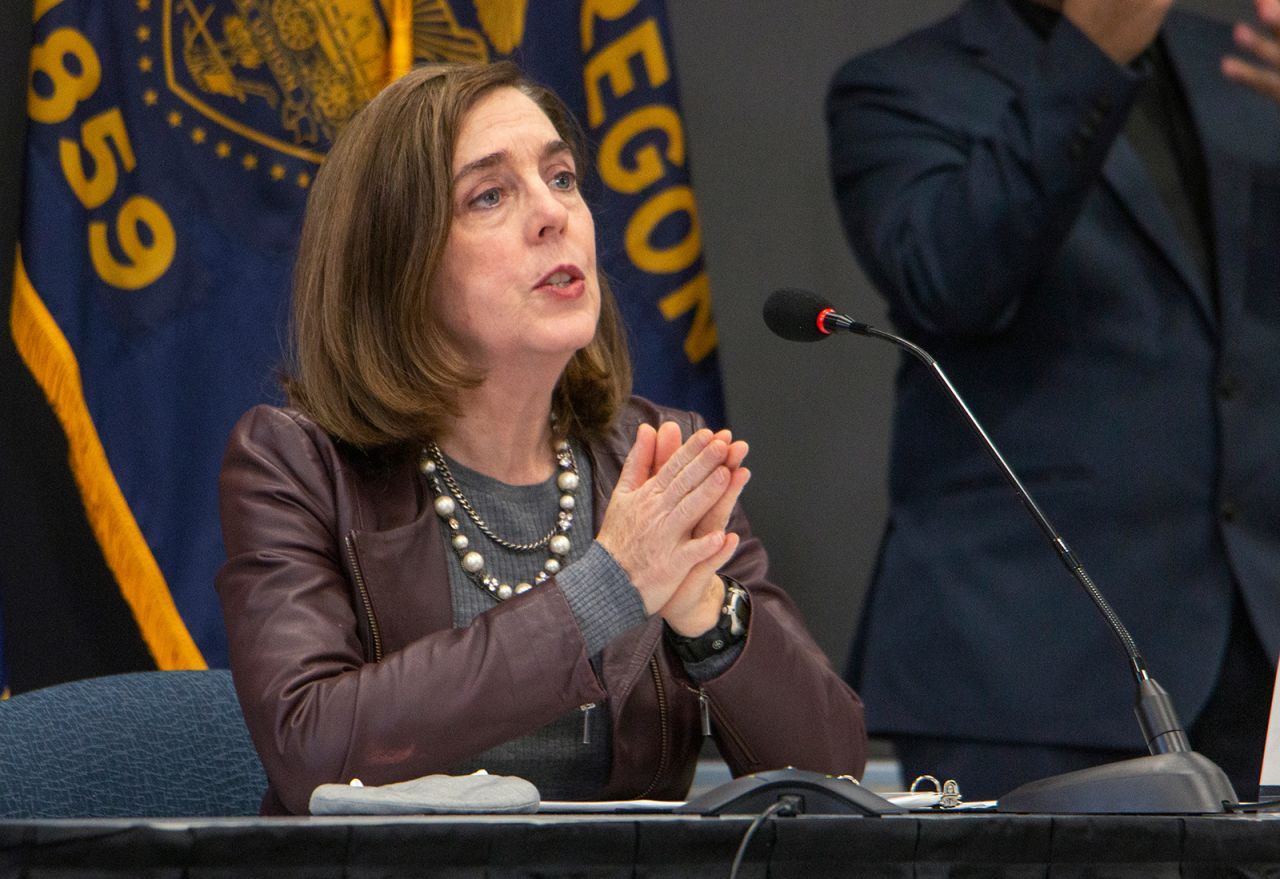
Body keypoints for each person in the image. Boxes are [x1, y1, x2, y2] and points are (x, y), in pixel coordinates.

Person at [217, 61, 865, 816]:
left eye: (561, 177)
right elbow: (313, 747)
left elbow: (834, 772)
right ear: (396, 263)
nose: (553, 214)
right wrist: (606, 588)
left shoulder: (655, 456)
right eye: (489, 195)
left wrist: (704, 611)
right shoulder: (297, 465)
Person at [827, 0, 1280, 801]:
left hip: (1259, 653)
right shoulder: (900, 89)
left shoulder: (1245, 60)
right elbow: (950, 284)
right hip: (1037, 670)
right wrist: (1091, 58)